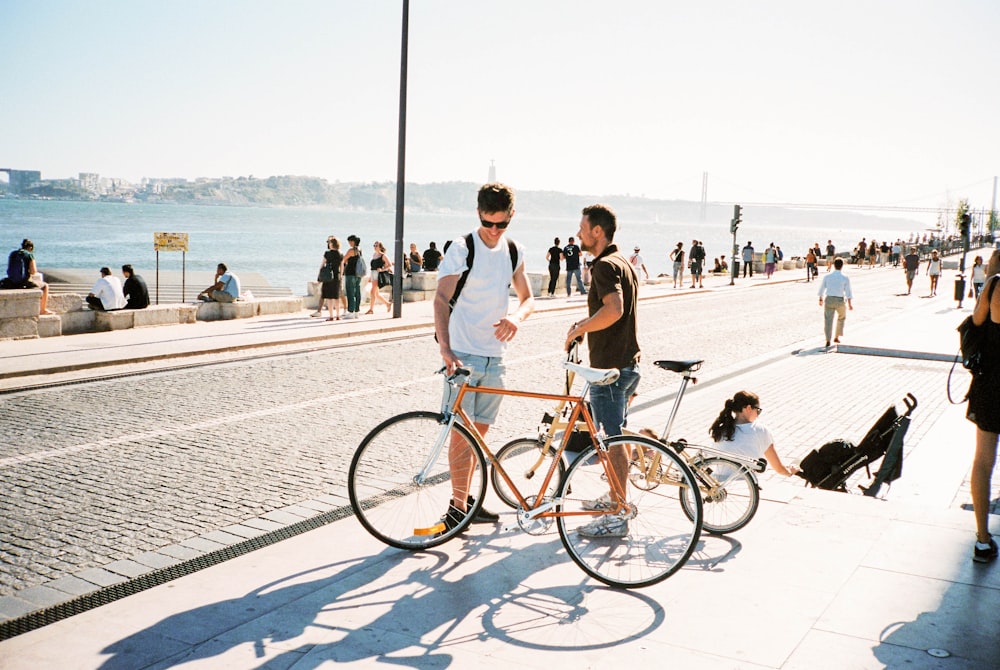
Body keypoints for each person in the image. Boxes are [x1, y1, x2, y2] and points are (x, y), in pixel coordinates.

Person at [434, 182, 534, 530]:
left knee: (479, 437)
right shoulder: (462, 248)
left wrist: (517, 318)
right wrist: (445, 349)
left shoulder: (513, 250)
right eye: (488, 223)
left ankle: (467, 505)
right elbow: (440, 299)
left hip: (495, 357)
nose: (494, 231)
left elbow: (528, 298)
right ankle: (457, 508)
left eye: (501, 224)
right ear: (479, 214)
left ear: (511, 217)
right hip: (462, 354)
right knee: (461, 436)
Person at [564, 203, 641, 538]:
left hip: (610, 369)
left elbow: (614, 309)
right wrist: (585, 324)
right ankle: (614, 497)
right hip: (626, 363)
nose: (579, 233)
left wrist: (581, 329)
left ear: (598, 231)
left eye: (583, 228)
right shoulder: (622, 262)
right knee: (616, 435)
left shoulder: (604, 267)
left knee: (613, 440)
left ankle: (618, 513)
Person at [967, 249, 1000, 563]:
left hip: (991, 384)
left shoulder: (993, 286)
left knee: (983, 460)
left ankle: (981, 538)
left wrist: (991, 274)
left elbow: (976, 320)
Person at [709, 391, 799, 477]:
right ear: (748, 408)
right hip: (748, 487)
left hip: (719, 487)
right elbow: (778, 468)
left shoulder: (720, 430)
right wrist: (790, 472)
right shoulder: (760, 430)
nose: (758, 414)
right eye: (758, 410)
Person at [2, 238, 52, 314]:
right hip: (23, 282)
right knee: (45, 286)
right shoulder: (29, 255)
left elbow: (9, 269)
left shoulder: (13, 253)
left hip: (11, 282)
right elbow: (33, 271)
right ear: (30, 248)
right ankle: (43, 309)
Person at [817, 258, 853, 348]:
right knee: (841, 317)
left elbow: (822, 288)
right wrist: (849, 303)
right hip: (840, 300)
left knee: (828, 320)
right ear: (842, 266)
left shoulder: (827, 276)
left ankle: (828, 339)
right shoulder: (845, 277)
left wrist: (820, 298)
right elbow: (848, 291)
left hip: (829, 299)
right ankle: (836, 336)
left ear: (833, 265)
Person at [319, 236, 343, 321]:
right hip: (337, 276)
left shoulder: (327, 253)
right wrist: (341, 276)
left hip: (328, 277)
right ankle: (338, 315)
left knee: (329, 298)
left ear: (332, 244)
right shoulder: (340, 254)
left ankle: (331, 316)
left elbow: (322, 264)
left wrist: (319, 275)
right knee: (336, 297)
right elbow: (342, 266)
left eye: (329, 243)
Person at [342, 235, 365, 319]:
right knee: (357, 291)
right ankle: (357, 311)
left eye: (349, 241)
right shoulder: (360, 249)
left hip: (350, 273)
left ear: (352, 241)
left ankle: (351, 311)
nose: (349, 243)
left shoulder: (351, 250)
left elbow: (343, 259)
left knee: (350, 292)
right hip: (358, 273)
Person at [366, 241, 392, 314]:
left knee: (372, 292)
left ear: (380, 247)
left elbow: (389, 264)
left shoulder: (383, 255)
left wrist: (382, 269)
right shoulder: (374, 255)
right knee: (376, 293)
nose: (375, 247)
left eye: (376, 245)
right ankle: (387, 303)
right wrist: (370, 277)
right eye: (374, 245)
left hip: (378, 275)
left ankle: (371, 309)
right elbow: (372, 267)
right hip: (373, 273)